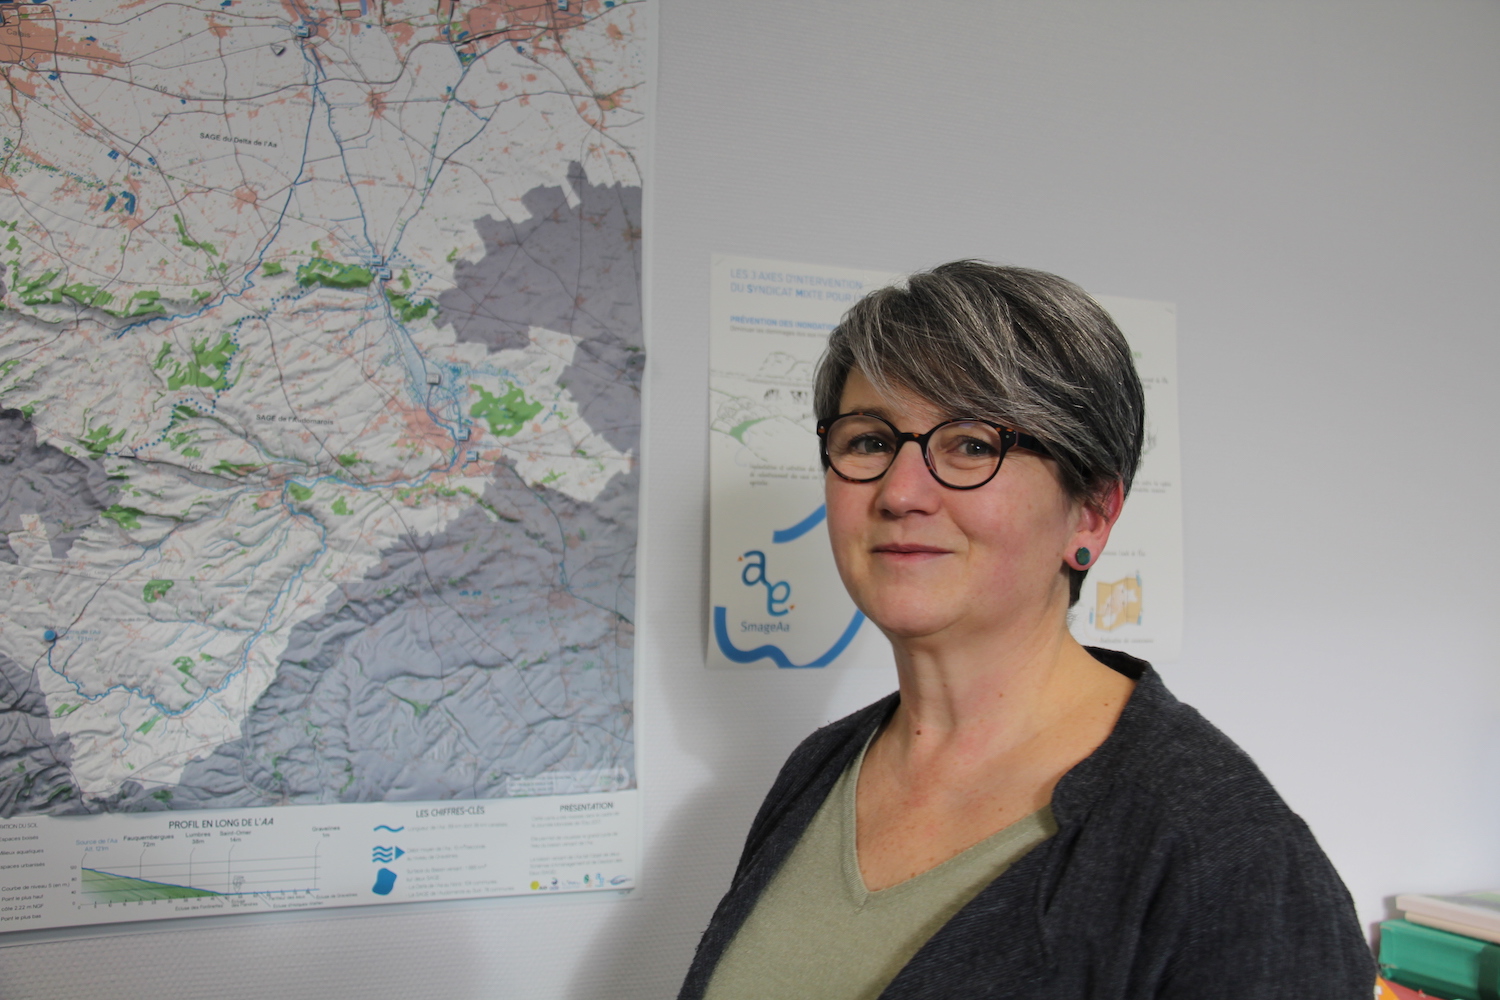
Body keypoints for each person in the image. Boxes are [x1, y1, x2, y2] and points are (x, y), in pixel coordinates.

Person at [679, 261, 1375, 999]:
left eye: (973, 444)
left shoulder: (1229, 856)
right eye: (868, 441)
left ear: (1091, 514)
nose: (900, 492)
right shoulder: (820, 771)